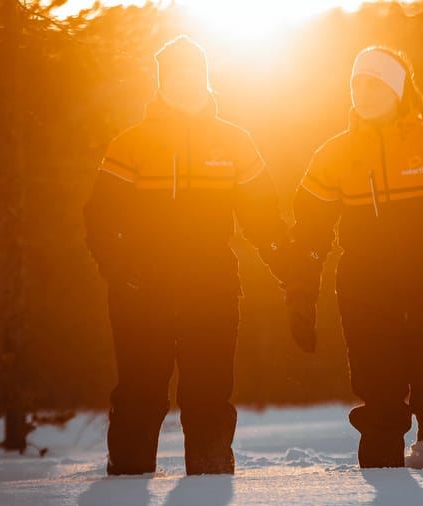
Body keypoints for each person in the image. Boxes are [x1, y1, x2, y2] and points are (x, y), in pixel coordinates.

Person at [84, 36, 291, 475]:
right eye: (173, 76)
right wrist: (118, 266)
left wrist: (289, 265)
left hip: (211, 285)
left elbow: (263, 217)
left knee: (209, 389)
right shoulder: (131, 143)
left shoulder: (234, 141)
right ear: (161, 84)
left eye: (191, 74)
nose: (183, 84)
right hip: (141, 289)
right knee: (140, 389)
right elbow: (100, 216)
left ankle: (210, 474)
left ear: (204, 78)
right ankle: (128, 474)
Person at [282, 46, 423, 469]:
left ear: (398, 91)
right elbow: (309, 233)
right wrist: (301, 290)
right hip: (365, 297)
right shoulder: (333, 155)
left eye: (375, 84)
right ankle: (384, 489)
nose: (365, 92)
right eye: (357, 84)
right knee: (379, 400)